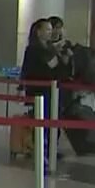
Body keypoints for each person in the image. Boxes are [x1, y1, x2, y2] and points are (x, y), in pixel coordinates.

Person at [21, 18, 71, 163]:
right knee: (42, 122)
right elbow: (40, 70)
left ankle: (51, 150)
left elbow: (59, 70)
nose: (51, 33)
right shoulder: (34, 50)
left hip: (53, 90)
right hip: (40, 91)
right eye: (47, 29)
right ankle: (41, 151)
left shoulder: (50, 49)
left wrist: (64, 61)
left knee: (53, 121)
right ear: (38, 32)